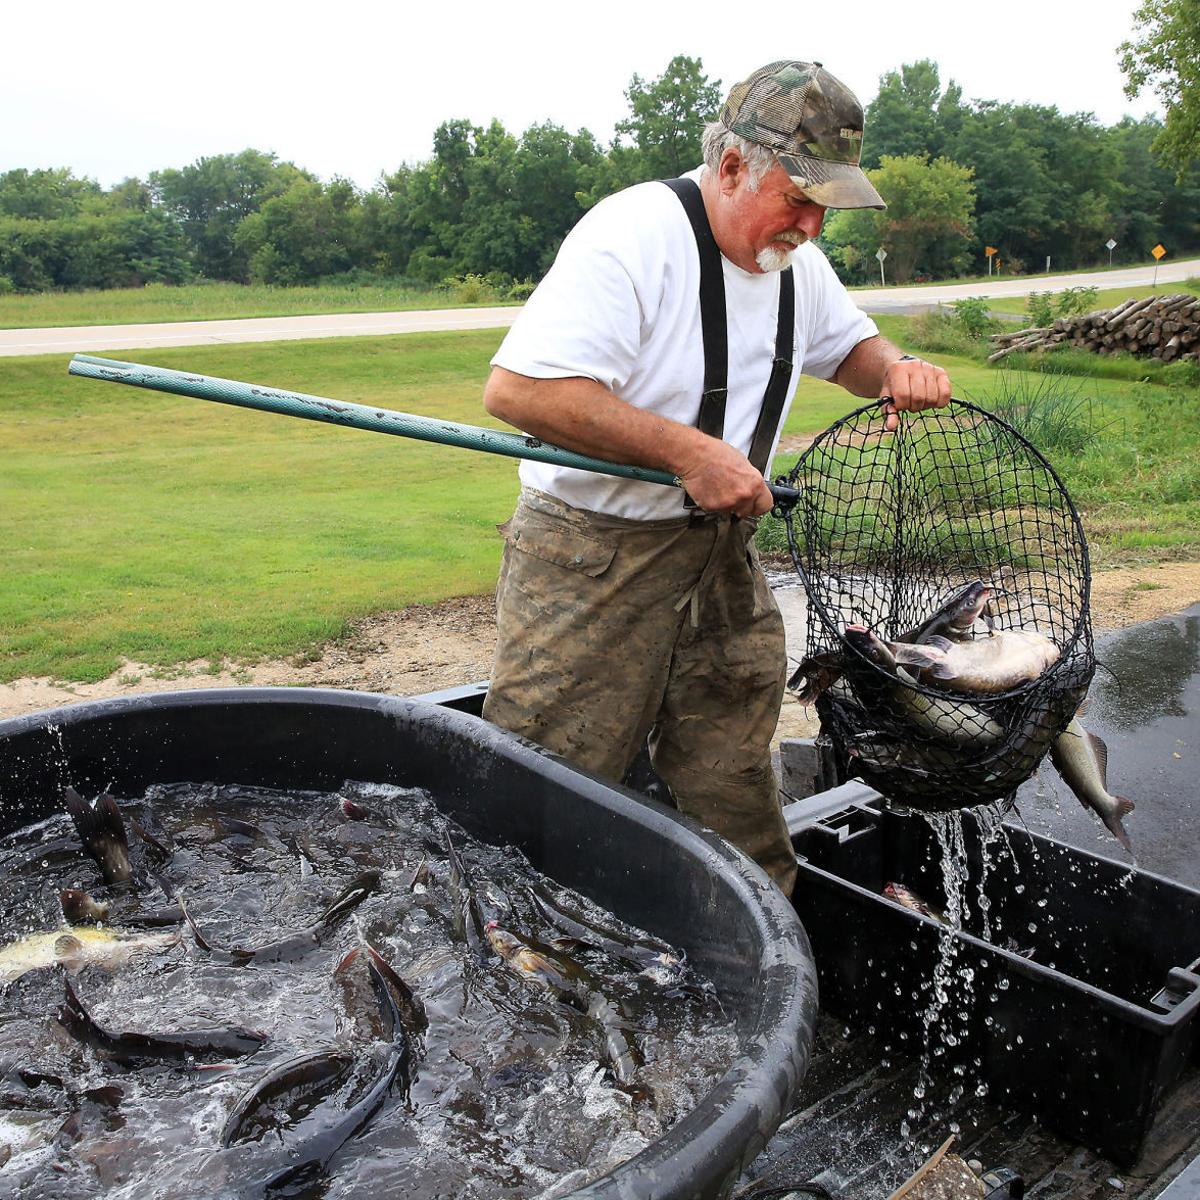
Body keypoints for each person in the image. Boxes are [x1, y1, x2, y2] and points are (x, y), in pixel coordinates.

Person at [480, 60, 951, 896]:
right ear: (732, 166)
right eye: (797, 199)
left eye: (824, 208)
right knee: (554, 781)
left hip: (725, 558)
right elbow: (520, 392)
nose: (810, 226)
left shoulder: (792, 262)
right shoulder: (631, 235)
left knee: (732, 773)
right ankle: (530, 965)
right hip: (592, 560)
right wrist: (687, 453)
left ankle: (758, 957)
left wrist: (895, 366)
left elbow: (847, 349)